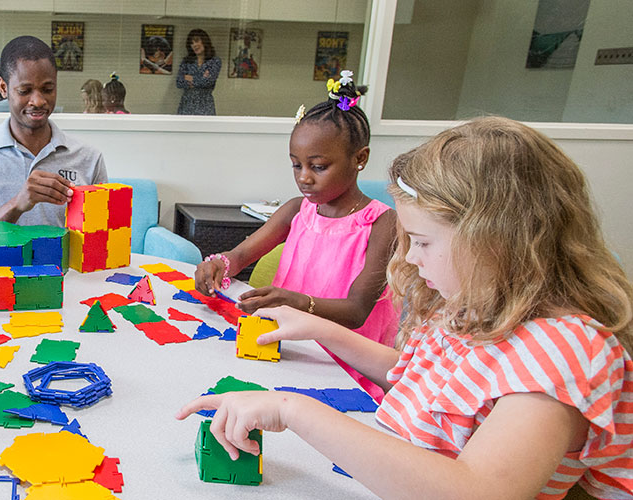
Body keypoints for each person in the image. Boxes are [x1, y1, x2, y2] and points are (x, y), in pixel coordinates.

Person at [179, 116, 633, 499]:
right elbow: (414, 375)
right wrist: (318, 327)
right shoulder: (470, 306)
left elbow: (477, 491)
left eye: (422, 241)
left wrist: (293, 410)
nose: (411, 258)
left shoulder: (564, 351)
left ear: (496, 239)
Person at [193, 72, 395, 400]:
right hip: (288, 350)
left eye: (318, 166)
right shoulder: (295, 210)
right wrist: (217, 264)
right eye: (296, 165)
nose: (304, 178)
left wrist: (297, 303)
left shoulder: (382, 224)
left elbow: (358, 311)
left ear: (360, 158)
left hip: (346, 367)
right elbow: (241, 256)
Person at [0, 35, 108, 253]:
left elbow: (100, 243)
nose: (38, 101)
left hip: (67, 282)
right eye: (25, 91)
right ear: (3, 88)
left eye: (48, 89)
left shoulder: (88, 158)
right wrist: (17, 204)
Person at [176, 29, 221, 115]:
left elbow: (208, 82)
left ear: (204, 41)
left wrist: (189, 78)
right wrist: (201, 78)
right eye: (191, 43)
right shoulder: (186, 61)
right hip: (187, 104)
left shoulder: (215, 61)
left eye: (196, 41)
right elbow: (179, 82)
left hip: (205, 105)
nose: (194, 45)